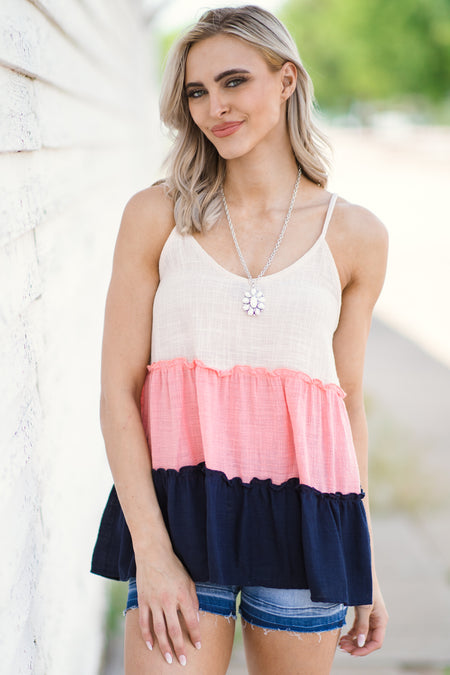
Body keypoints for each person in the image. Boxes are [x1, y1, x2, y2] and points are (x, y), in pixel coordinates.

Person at [91, 5, 389, 673]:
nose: (213, 107)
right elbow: (118, 392)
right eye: (197, 91)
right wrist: (152, 551)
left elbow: (347, 406)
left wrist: (361, 557)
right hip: (179, 514)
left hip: (307, 522)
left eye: (233, 82)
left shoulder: (357, 235)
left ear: (286, 81)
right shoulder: (156, 215)